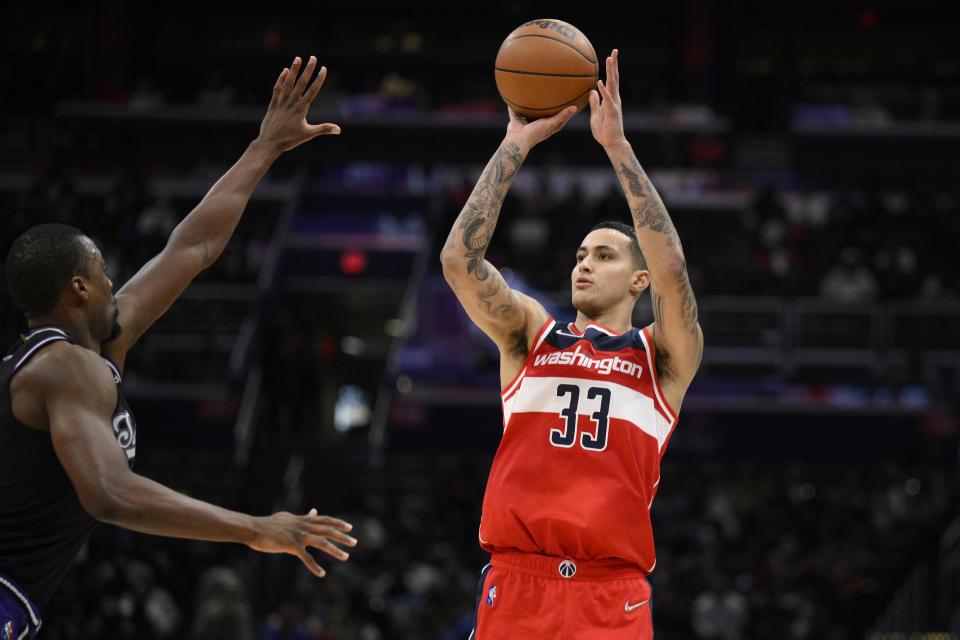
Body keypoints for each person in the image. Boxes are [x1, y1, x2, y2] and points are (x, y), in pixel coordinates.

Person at [0, 56, 357, 639]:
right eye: (103, 270)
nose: (116, 280)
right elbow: (110, 494)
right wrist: (254, 528)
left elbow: (191, 246)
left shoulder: (97, 345)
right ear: (79, 288)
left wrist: (265, 147)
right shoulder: (61, 367)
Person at [440, 49, 703, 639]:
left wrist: (617, 147)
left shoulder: (660, 358)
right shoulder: (532, 334)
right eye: (580, 254)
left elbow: (674, 271)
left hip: (611, 596)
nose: (583, 264)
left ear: (639, 280)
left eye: (603, 255)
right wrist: (515, 145)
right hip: (517, 582)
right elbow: (458, 260)